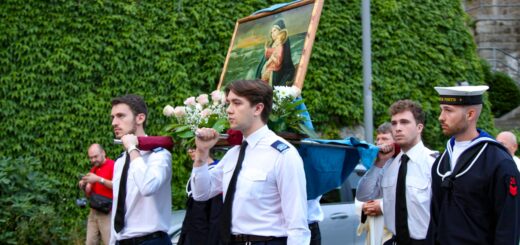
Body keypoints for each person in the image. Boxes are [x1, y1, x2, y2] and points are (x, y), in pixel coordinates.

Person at [191, 79, 310, 245]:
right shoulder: (233, 154)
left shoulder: (282, 154)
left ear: (258, 108)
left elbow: (297, 223)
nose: (229, 110)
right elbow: (201, 193)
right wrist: (202, 153)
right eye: (228, 103)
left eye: (237, 103)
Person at [429, 85, 520, 245]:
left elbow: (508, 226)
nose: (441, 117)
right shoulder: (442, 161)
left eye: (448, 110)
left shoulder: (498, 162)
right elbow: (436, 219)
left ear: (470, 114)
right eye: (442, 110)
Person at [357, 100, 437, 245]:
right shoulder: (390, 163)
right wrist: (378, 164)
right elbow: (364, 195)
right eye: (394, 123)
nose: (398, 128)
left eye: (404, 122)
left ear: (419, 127)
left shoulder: (433, 163)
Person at [109, 94, 172, 245]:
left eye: (120, 116)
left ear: (140, 118)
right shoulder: (120, 161)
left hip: (151, 240)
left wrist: (132, 148)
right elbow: (117, 206)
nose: (114, 123)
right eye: (112, 117)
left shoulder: (159, 155)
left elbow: (147, 187)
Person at [355, 122, 394, 245]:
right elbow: (363, 195)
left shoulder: (404, 163)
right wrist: (378, 162)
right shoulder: (379, 164)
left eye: (385, 139)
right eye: (377, 139)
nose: (379, 143)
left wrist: (382, 206)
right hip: (377, 232)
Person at [178, 148, 223, 245]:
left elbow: (216, 213)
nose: (190, 151)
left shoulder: (217, 171)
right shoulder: (197, 172)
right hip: (192, 227)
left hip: (207, 228)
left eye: (194, 148)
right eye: (188, 148)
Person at [79, 143, 115, 245]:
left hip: (108, 212)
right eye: (91, 158)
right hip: (94, 211)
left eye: (95, 156)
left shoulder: (114, 165)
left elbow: (118, 186)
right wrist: (84, 185)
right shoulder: (94, 169)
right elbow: (89, 193)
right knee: (90, 242)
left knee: (110, 242)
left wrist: (98, 179)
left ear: (103, 153)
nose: (93, 160)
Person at [255, 19, 296, 87]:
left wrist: (271, 60)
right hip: (268, 69)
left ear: (280, 33)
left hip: (274, 71)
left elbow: (279, 62)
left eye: (274, 31)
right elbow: (267, 56)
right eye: (271, 32)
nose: (272, 33)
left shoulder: (282, 46)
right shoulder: (273, 44)